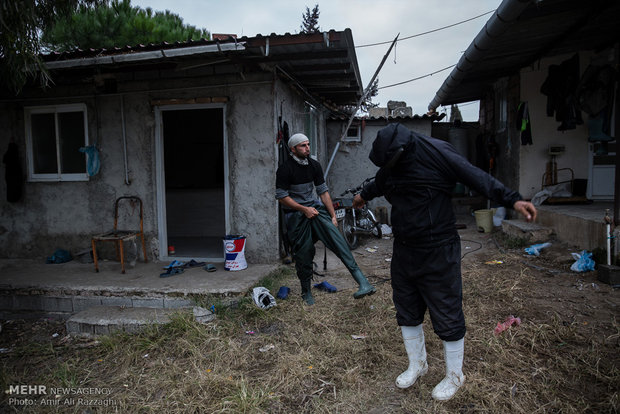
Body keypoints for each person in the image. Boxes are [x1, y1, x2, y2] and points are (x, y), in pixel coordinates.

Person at [352, 123, 537, 401]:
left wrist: (512, 200)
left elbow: (474, 175)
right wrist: (363, 195)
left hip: (438, 249)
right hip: (404, 249)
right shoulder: (392, 163)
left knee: (447, 310)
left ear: (403, 150)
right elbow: (381, 181)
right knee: (407, 309)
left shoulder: (438, 152)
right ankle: (418, 365)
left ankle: (455, 375)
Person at [276, 133, 376, 305]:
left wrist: (332, 216)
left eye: (308, 144)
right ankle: (306, 292)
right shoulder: (285, 169)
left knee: (338, 241)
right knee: (304, 253)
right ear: (293, 149)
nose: (307, 148)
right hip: (296, 215)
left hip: (315, 211)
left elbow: (323, 192)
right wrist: (303, 209)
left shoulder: (314, 165)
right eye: (303, 146)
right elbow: (281, 197)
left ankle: (363, 283)